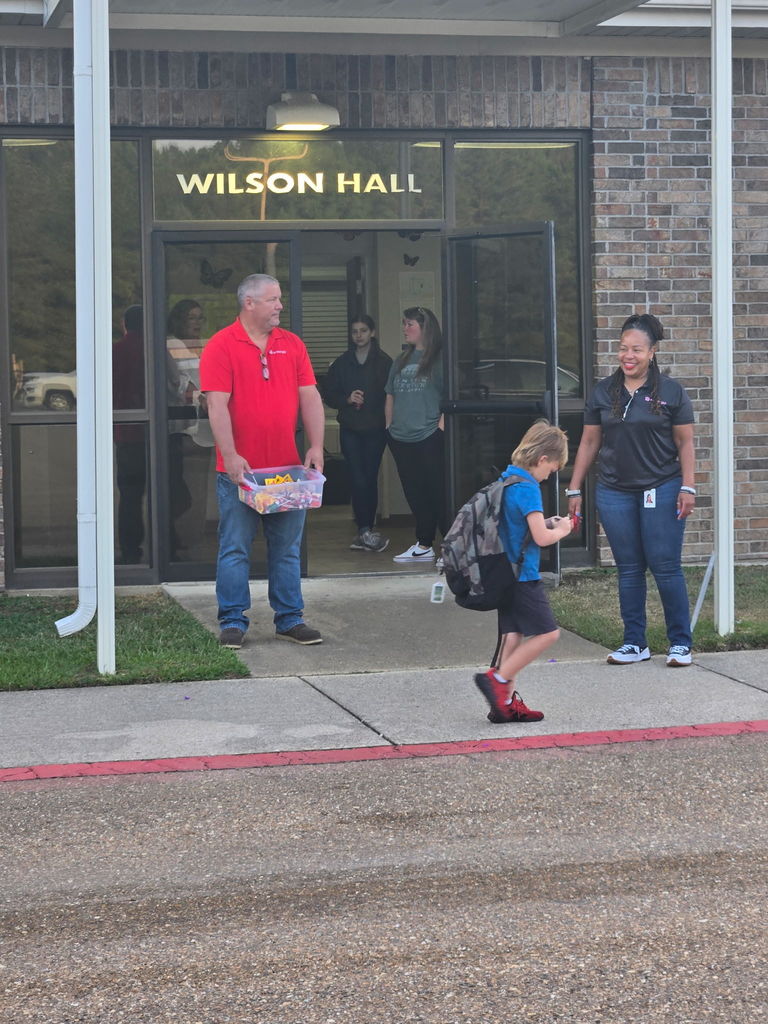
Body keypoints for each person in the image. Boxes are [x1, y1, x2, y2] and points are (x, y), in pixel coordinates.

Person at [199, 273, 326, 649]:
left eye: (279, 299)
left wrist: (317, 445)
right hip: (241, 474)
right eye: (272, 300)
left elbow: (310, 397)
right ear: (249, 303)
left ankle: (290, 619)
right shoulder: (222, 345)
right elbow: (215, 405)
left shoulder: (292, 344)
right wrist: (232, 454)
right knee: (235, 548)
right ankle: (233, 622)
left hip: (287, 471)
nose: (280, 306)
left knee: (287, 549)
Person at [566, 312, 696, 668]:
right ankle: (634, 643)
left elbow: (685, 443)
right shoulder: (603, 392)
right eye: (623, 348)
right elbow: (589, 442)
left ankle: (680, 643)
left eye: (636, 349)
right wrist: (574, 488)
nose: (628, 356)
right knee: (628, 568)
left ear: (652, 351)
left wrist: (689, 486)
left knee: (665, 565)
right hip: (614, 490)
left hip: (662, 486)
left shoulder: (671, 392)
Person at [474, 420, 574, 724]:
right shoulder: (529, 488)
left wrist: (545, 523)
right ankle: (499, 681)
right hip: (524, 576)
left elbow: (518, 528)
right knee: (548, 633)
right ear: (542, 459)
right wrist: (564, 530)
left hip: (504, 572)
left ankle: (502, 705)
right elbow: (542, 540)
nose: (551, 474)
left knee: (513, 636)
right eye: (553, 468)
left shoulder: (507, 479)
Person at [323, 315, 393, 552]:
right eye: (355, 331)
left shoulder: (384, 362)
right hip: (350, 427)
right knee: (356, 477)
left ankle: (367, 527)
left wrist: (389, 423)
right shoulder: (341, 363)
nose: (359, 335)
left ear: (372, 332)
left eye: (363, 330)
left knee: (369, 477)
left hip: (375, 428)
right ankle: (363, 528)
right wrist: (347, 398)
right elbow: (329, 394)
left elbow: (392, 396)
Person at [385, 306, 447, 563]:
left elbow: (450, 397)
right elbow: (390, 394)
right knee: (414, 492)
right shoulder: (400, 360)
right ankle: (424, 544)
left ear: (425, 328)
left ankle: (451, 547)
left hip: (429, 436)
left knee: (438, 492)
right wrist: (388, 426)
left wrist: (440, 428)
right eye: (404, 323)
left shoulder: (440, 359)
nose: (405, 328)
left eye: (410, 324)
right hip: (400, 438)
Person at [112, 305, 147, 564]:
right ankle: (169, 545)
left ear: (125, 324)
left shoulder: (115, 351)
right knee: (164, 488)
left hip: (126, 432)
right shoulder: (154, 350)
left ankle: (130, 549)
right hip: (153, 432)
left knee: (130, 494)